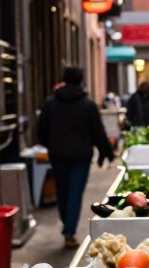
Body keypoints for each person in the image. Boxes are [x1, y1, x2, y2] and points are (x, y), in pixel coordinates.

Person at [36, 66, 114, 248]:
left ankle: (67, 224)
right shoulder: (88, 104)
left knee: (62, 192)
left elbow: (41, 131)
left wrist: (51, 146)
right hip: (81, 156)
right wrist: (105, 152)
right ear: (81, 80)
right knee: (75, 193)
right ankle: (69, 230)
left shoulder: (50, 103)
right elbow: (98, 132)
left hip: (58, 155)